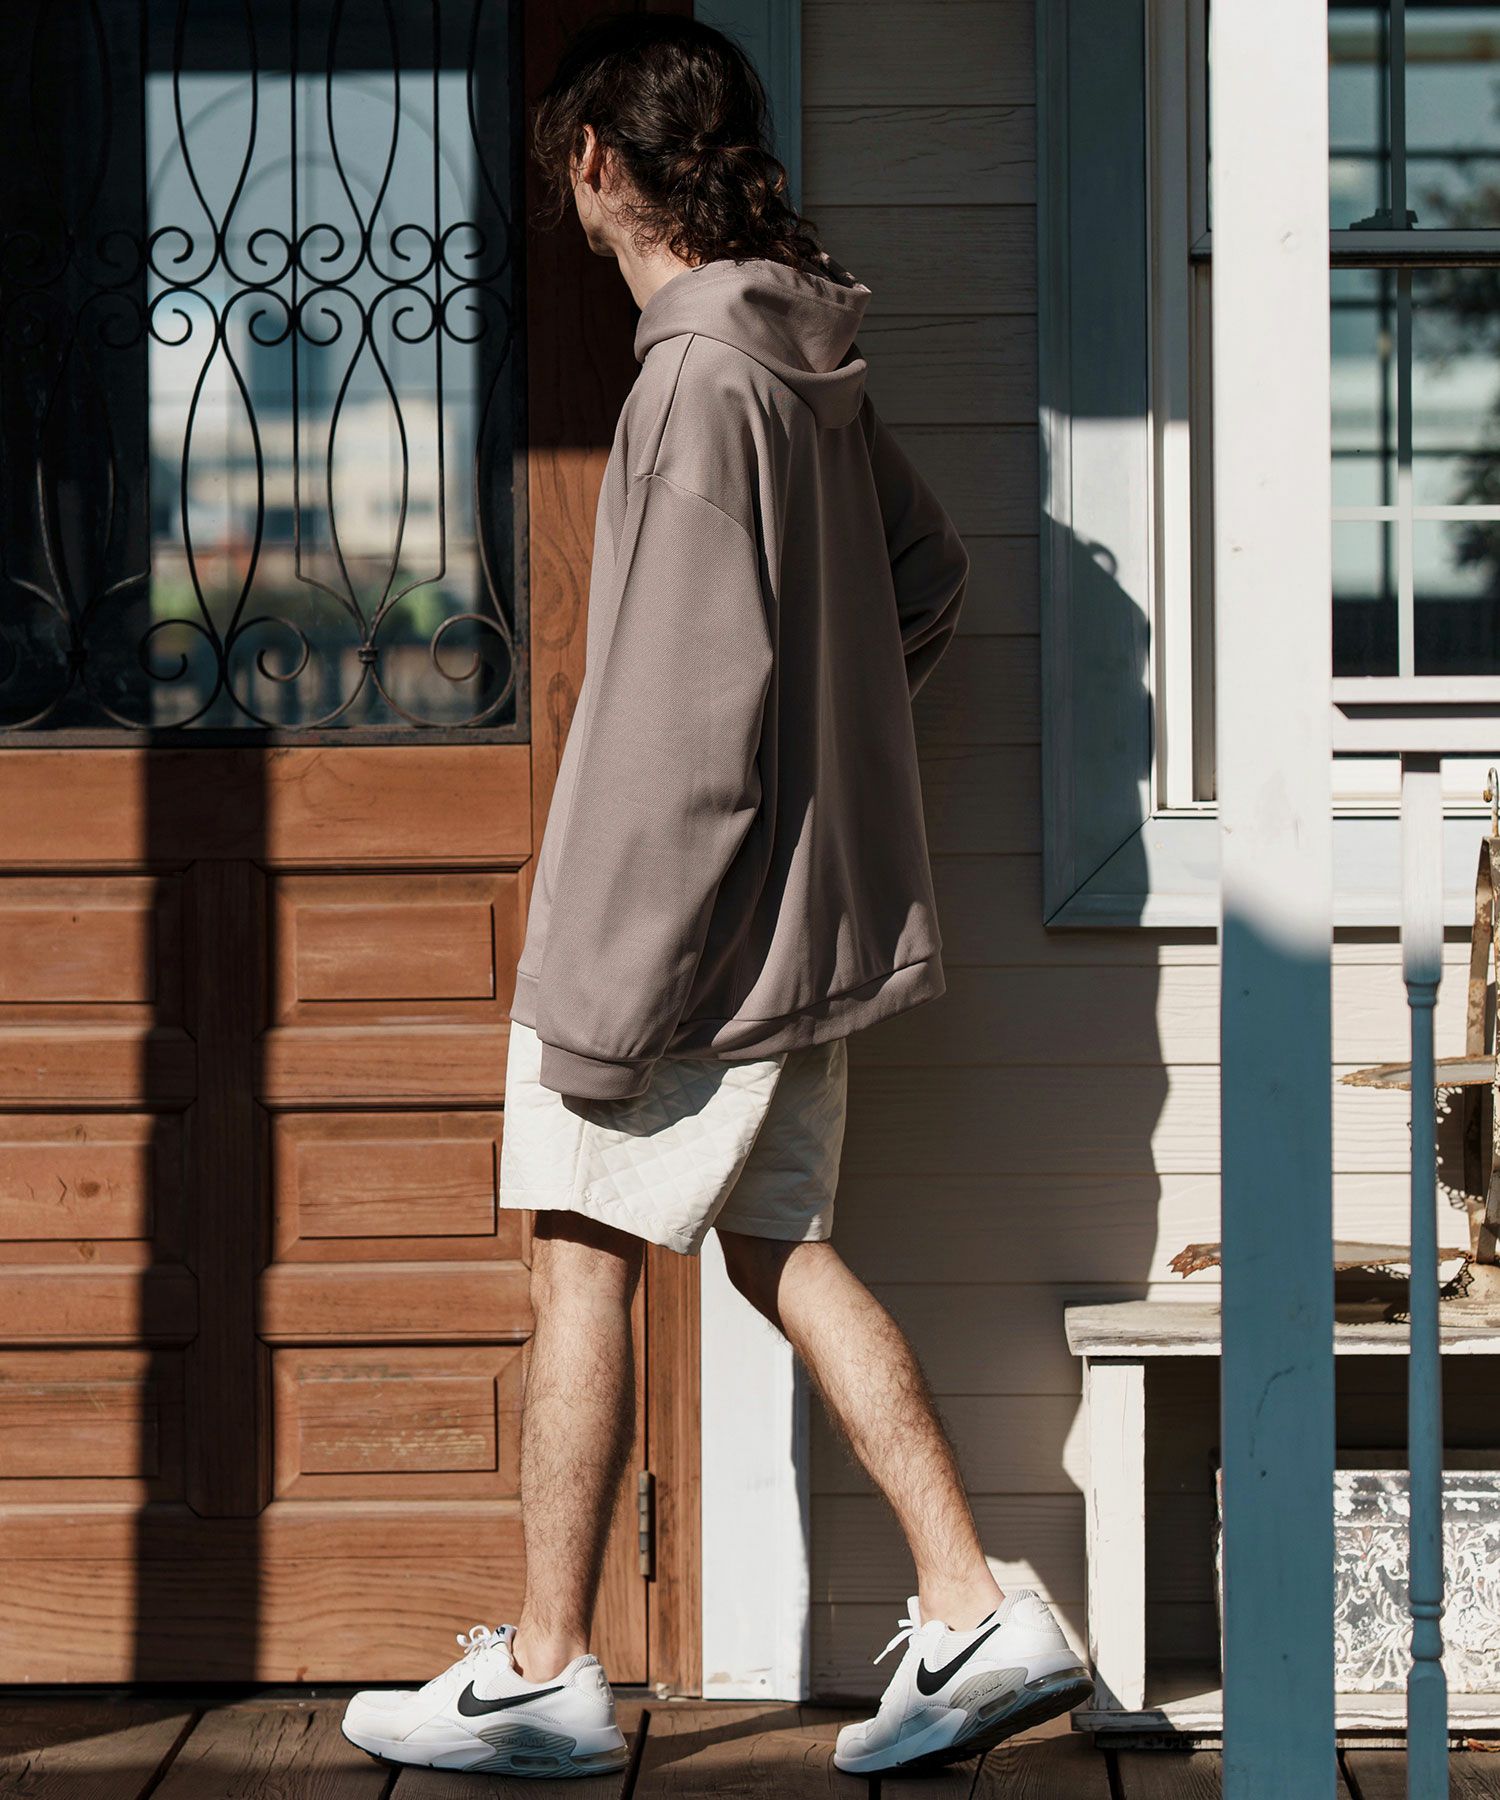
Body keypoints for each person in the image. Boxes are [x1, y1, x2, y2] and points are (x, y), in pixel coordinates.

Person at [341, 14, 1090, 1780]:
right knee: (783, 1249)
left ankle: (544, 1676)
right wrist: (829, 769)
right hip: (795, 937)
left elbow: (683, 742)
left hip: (674, 946)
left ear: (600, 163)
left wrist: (602, 998)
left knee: (579, 1254)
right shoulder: (803, 358)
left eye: (570, 171)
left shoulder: (689, 380)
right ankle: (972, 1605)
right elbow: (924, 576)